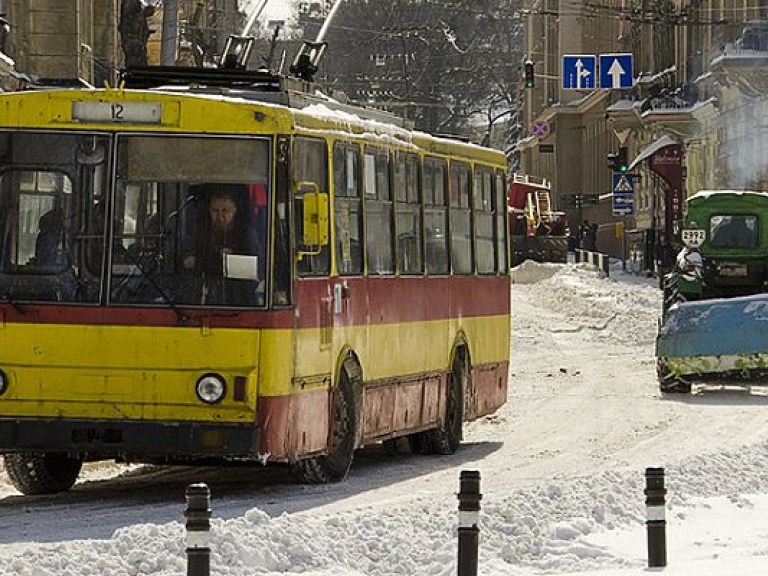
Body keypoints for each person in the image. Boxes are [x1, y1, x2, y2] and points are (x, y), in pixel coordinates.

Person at [183, 189, 264, 305]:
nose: (220, 216)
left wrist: (233, 258)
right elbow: (187, 256)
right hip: (204, 294)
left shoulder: (246, 233)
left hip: (240, 298)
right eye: (215, 211)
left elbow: (259, 268)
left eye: (225, 211)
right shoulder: (200, 231)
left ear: (234, 210)